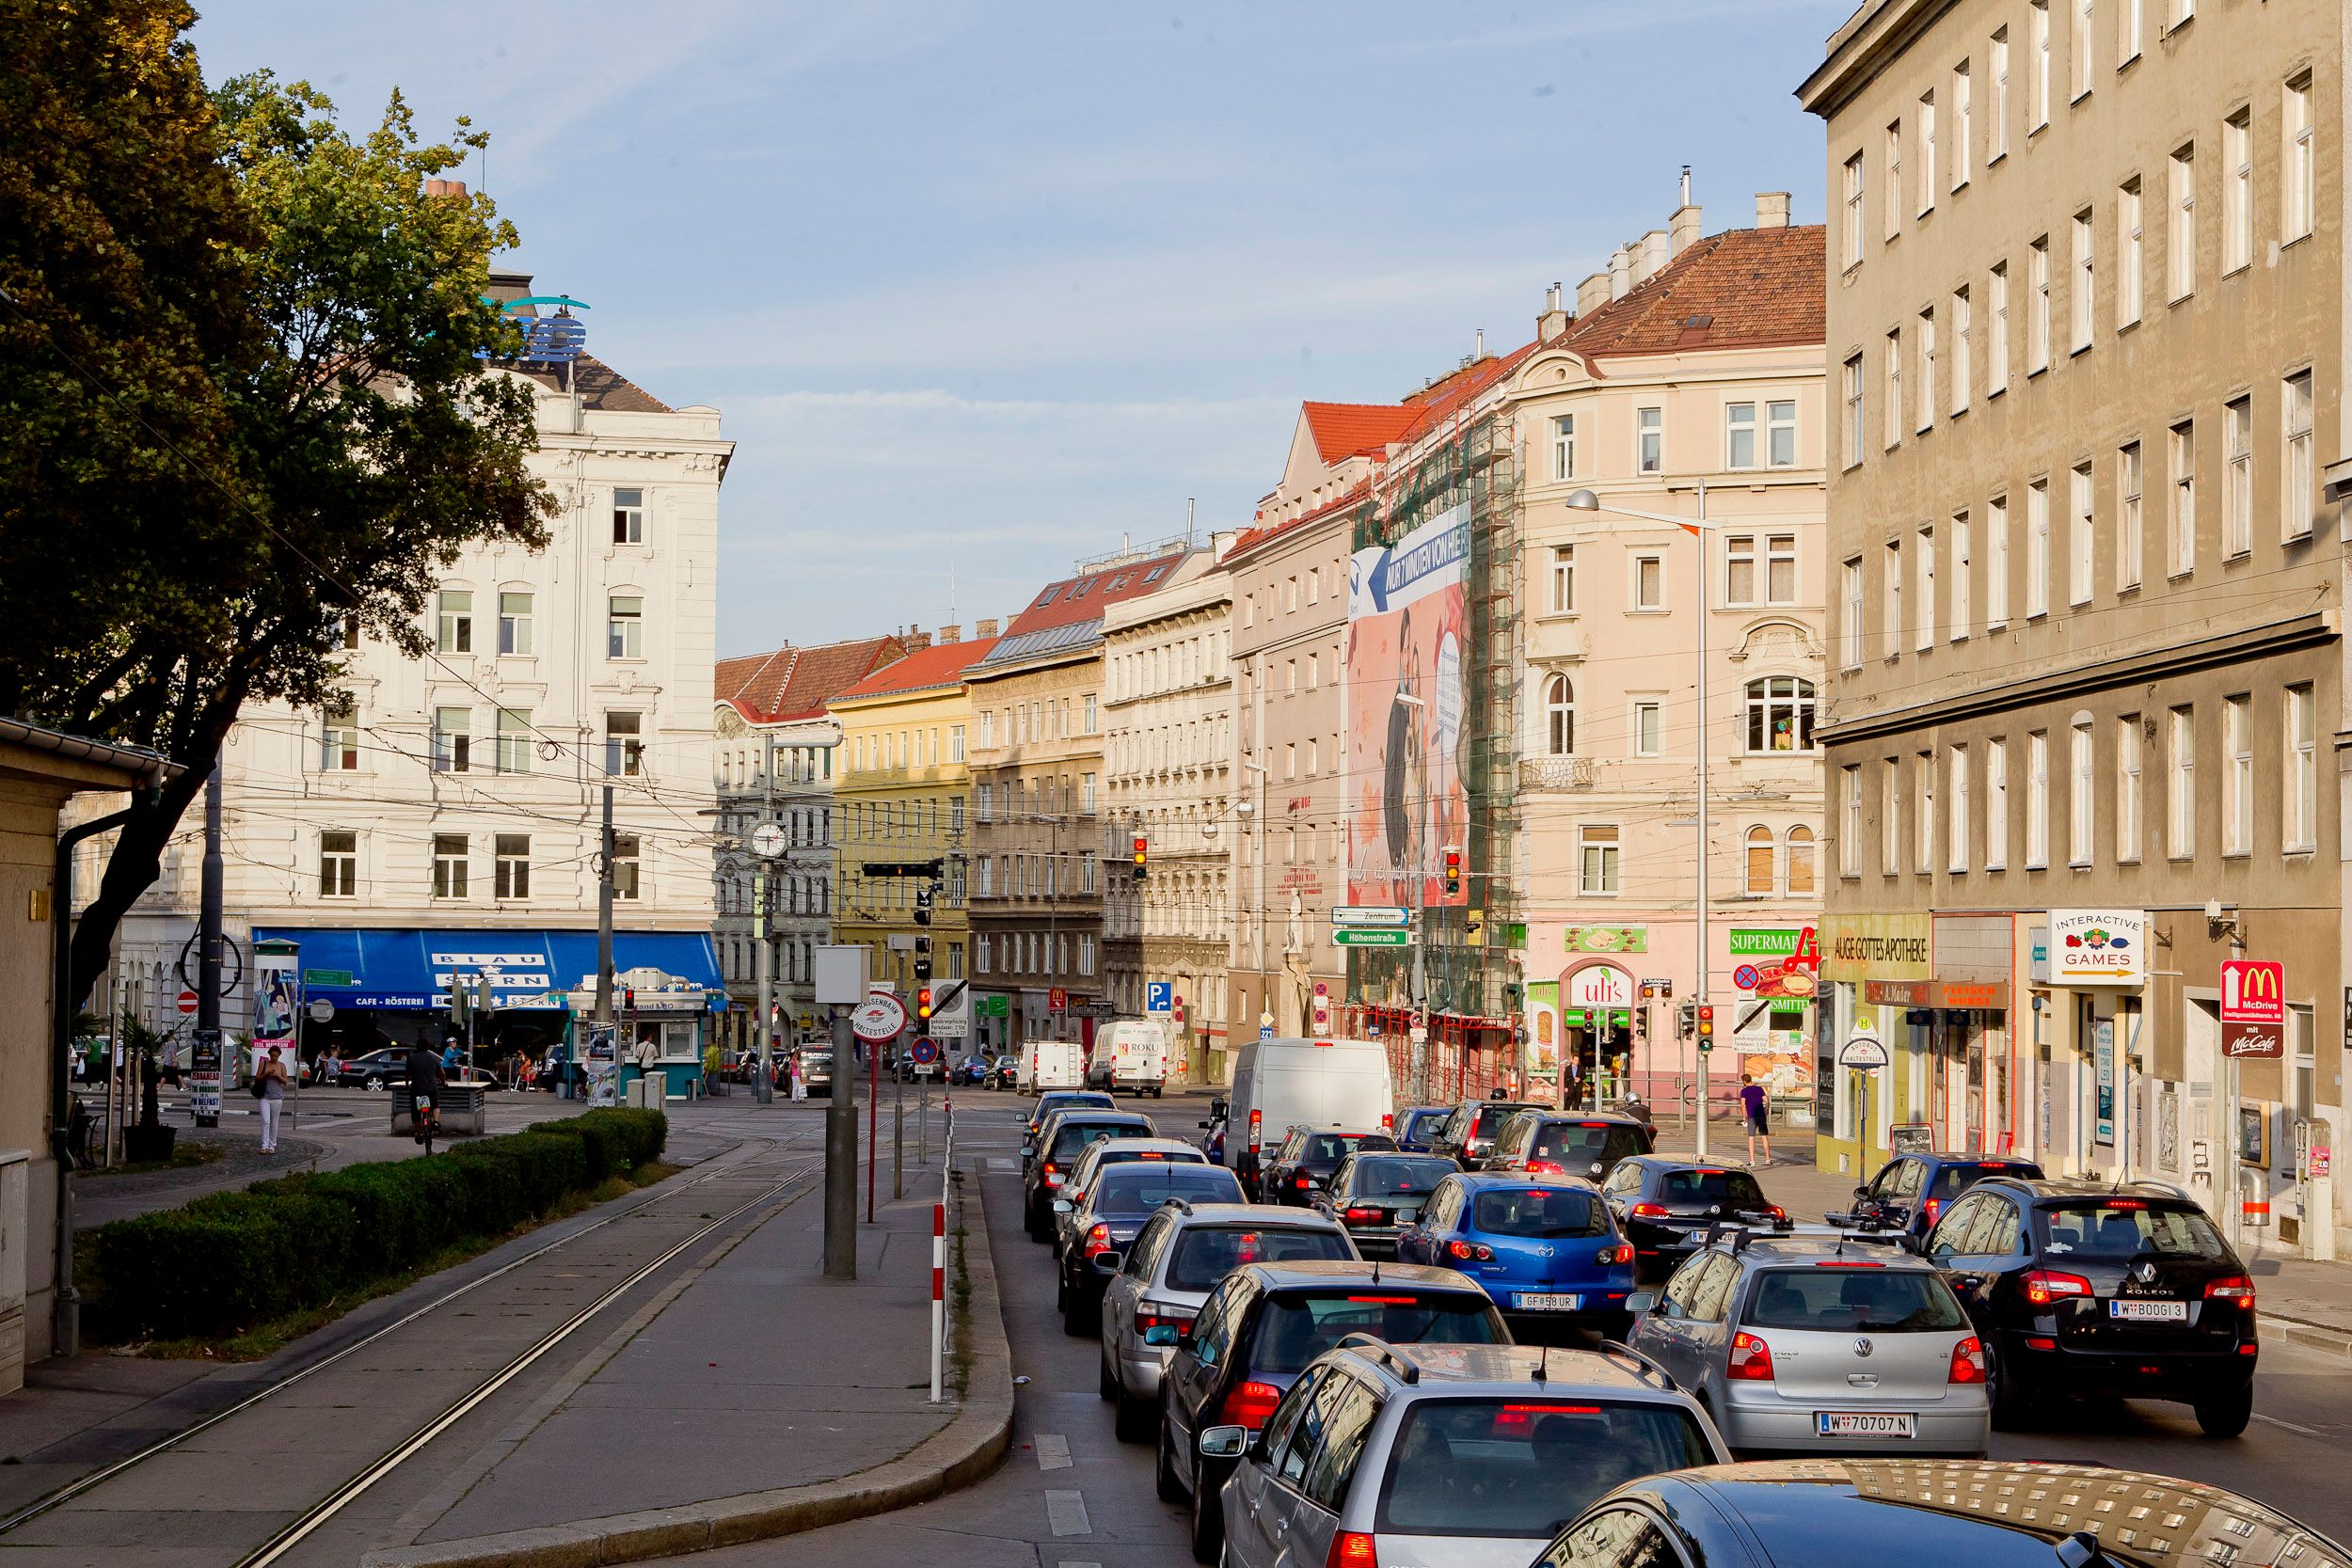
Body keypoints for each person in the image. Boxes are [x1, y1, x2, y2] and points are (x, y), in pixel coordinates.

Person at [256, 1045, 291, 1154]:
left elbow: (285, 1081)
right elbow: (257, 1078)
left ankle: (272, 1146)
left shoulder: (282, 1065)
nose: (274, 1058)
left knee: (274, 1123)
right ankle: (264, 1145)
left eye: (276, 1056)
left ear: (279, 1055)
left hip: (277, 1097)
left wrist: (278, 1076)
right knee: (266, 1121)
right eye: (272, 1056)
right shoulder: (263, 1064)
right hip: (264, 1097)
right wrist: (266, 1074)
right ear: (269, 1055)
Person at [1740, 1073, 1771, 1164]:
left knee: (1751, 1138)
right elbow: (1766, 1101)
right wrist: (1765, 1110)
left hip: (1752, 1117)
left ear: (1744, 1081)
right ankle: (1768, 1159)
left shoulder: (1744, 1091)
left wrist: (1744, 1118)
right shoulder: (1759, 1089)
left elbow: (1743, 1105)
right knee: (1764, 1137)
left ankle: (1752, 1161)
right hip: (1761, 1116)